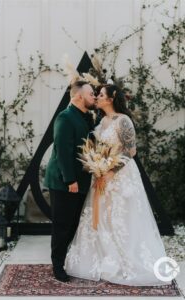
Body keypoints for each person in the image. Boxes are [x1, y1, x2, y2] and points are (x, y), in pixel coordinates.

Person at [65, 84, 169, 286]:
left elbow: (131, 151)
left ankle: (126, 261)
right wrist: (97, 166)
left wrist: (111, 170)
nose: (97, 97)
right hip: (101, 176)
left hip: (121, 177)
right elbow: (97, 149)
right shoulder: (101, 120)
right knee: (102, 217)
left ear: (111, 99)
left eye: (101, 95)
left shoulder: (124, 121)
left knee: (121, 218)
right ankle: (104, 259)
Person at [44, 81, 96, 282]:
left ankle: (67, 260)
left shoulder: (86, 117)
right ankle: (57, 266)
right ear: (78, 96)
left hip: (81, 181)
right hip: (64, 182)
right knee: (62, 225)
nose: (94, 97)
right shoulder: (65, 117)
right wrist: (70, 180)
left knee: (74, 224)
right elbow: (63, 151)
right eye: (91, 94)